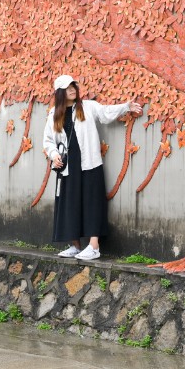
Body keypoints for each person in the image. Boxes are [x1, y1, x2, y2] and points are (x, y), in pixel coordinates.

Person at [42, 74, 142, 260]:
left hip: (90, 163)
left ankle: (94, 246)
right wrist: (54, 156)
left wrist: (126, 107)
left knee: (92, 202)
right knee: (69, 204)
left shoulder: (87, 106)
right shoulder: (54, 114)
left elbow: (105, 113)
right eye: (67, 87)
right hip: (67, 166)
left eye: (73, 86)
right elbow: (48, 141)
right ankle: (75, 246)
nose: (72, 89)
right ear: (60, 92)